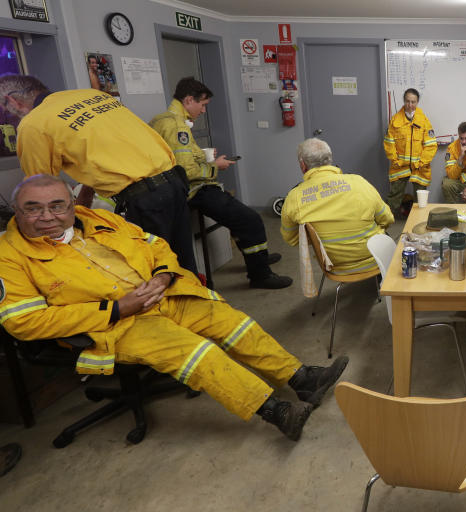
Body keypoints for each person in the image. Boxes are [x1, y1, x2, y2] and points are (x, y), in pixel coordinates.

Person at [0, 174, 349, 441]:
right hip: (113, 324)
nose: (47, 216)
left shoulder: (98, 219)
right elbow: (24, 322)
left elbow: (157, 246)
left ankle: (301, 378)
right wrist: (118, 308)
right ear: (17, 211)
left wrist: (164, 276)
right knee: (198, 353)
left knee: (232, 322)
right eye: (33, 208)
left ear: (71, 204)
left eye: (57, 205)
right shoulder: (9, 255)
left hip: (162, 294)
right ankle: (277, 411)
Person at [8, 75, 198, 273]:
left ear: (12, 100)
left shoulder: (33, 123)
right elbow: (100, 158)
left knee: (155, 274)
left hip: (147, 200)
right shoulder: (92, 95)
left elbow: (40, 191)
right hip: (174, 183)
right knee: (183, 268)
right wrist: (81, 206)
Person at [150, 78, 291, 289]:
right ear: (189, 100)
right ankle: (260, 274)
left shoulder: (162, 120)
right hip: (193, 190)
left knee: (240, 217)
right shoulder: (177, 126)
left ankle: (257, 257)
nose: (204, 111)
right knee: (250, 219)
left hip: (176, 189)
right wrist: (216, 166)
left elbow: (180, 159)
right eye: (203, 105)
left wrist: (205, 158)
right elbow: (186, 172)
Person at [280, 138, 393, 275]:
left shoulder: (294, 197)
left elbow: (292, 239)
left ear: (303, 165)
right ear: (330, 160)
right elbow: (388, 219)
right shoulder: (359, 182)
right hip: (375, 260)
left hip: (334, 267)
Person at [383, 88, 437, 215]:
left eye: (413, 102)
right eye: (407, 101)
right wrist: (395, 160)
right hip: (400, 165)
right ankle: (385, 221)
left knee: (420, 199)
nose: (410, 105)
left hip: (419, 166)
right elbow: (389, 143)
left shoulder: (424, 121)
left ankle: (419, 219)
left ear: (417, 102)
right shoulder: (395, 120)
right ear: (404, 101)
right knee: (394, 196)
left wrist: (422, 162)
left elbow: (431, 145)